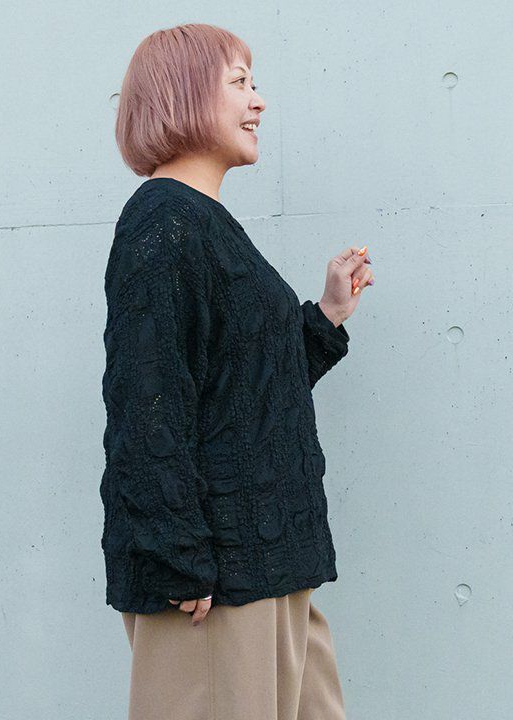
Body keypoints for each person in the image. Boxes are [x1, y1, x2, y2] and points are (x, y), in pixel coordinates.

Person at [100, 22, 374, 720]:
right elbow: (146, 396)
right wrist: (177, 558)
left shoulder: (207, 223)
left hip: (272, 567)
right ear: (186, 93)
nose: (259, 100)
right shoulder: (162, 222)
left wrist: (326, 317)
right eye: (240, 82)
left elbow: (246, 394)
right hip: (213, 585)